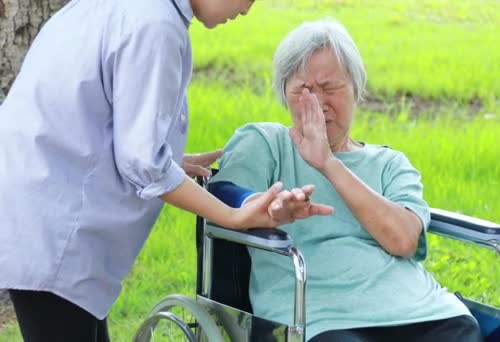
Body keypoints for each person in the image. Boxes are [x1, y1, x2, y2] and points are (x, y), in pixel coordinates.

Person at [0, 1, 333, 341]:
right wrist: (233, 216)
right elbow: (144, 163)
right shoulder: (156, 24)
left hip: (33, 208)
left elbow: (88, 112)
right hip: (57, 231)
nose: (247, 10)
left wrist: (175, 159)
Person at [209, 18, 484, 341]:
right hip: (319, 315)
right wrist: (262, 206)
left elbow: (404, 240)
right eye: (303, 90)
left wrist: (327, 162)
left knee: (464, 330)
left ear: (357, 90)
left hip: (417, 309)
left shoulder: (389, 164)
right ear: (284, 94)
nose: (318, 102)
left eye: (330, 88)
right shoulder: (265, 143)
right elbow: (221, 195)